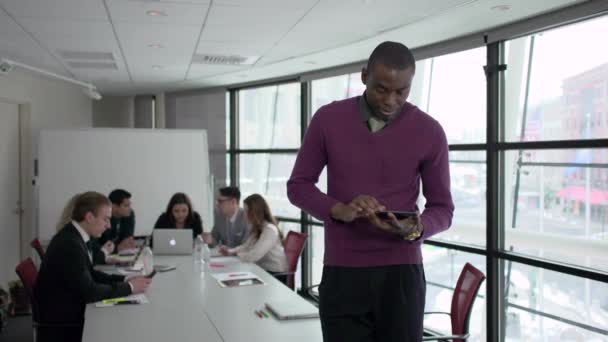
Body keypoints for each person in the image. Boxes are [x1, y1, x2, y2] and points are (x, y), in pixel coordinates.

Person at [287, 41, 454, 342]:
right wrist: (338, 209)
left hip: (401, 275)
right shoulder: (328, 119)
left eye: (401, 91)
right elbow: (298, 187)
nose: (391, 100)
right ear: (364, 76)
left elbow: (443, 208)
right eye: (381, 89)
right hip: (343, 273)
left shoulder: (430, 132)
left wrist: (417, 228)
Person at [35, 192, 152, 342]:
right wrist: (129, 287)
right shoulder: (70, 244)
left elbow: (91, 273)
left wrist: (126, 278)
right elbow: (90, 291)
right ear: (89, 217)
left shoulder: (77, 236)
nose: (109, 225)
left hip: (67, 308)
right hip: (64, 321)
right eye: (106, 219)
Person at [219, 194, 288, 283]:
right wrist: (230, 251)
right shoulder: (259, 227)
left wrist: (237, 255)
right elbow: (246, 246)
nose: (244, 214)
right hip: (263, 270)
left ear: (255, 212)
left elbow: (254, 255)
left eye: (247, 211)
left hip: (275, 274)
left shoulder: (269, 230)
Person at [89, 189, 136, 264]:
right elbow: (96, 247)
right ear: (113, 206)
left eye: (130, 205)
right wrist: (117, 248)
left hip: (114, 256)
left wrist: (119, 248)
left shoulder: (129, 215)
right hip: (100, 260)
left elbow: (127, 241)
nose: (130, 209)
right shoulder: (100, 218)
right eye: (126, 206)